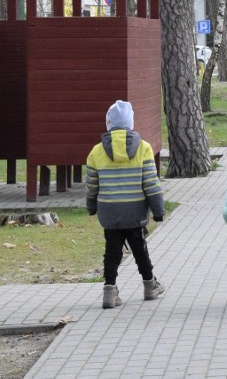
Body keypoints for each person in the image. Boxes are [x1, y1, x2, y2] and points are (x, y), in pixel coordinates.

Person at [86, 100, 166, 309]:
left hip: (109, 211)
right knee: (139, 248)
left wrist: (91, 206)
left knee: (112, 251)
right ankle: (150, 285)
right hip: (135, 211)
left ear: (108, 123)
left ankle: (109, 291)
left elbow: (91, 184)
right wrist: (158, 210)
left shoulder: (96, 151)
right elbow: (151, 182)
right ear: (131, 122)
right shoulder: (144, 148)